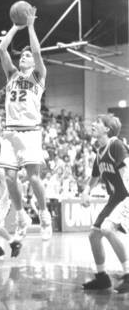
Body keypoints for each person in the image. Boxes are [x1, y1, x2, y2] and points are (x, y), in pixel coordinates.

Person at [0, 6, 52, 242]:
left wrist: (30, 25)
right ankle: (21, 218)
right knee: (9, 178)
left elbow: (38, 52)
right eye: (22, 56)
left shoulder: (37, 76)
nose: (25, 57)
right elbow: (1, 48)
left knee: (33, 177)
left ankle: (44, 215)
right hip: (10, 130)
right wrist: (15, 26)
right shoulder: (11, 75)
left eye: (27, 56)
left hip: (31, 131)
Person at [81, 114, 129, 293]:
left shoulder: (115, 144)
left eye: (98, 122)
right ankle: (102, 278)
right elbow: (93, 178)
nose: (93, 124)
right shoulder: (99, 152)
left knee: (107, 229)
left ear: (107, 129)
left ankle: (128, 275)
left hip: (126, 196)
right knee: (94, 235)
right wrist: (86, 192)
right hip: (115, 198)